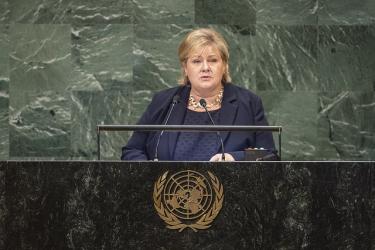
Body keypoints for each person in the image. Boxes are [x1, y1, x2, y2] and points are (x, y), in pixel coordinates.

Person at [121, 28, 275, 161]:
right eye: (196, 61)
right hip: (167, 192)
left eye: (213, 60)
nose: (205, 68)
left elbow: (270, 156)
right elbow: (132, 151)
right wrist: (149, 173)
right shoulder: (164, 101)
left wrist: (235, 158)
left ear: (224, 66)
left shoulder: (248, 103)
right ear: (185, 68)